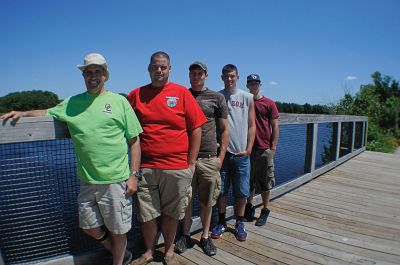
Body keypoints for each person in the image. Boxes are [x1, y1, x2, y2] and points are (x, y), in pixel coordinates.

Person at [1, 53, 143, 265]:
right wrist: (21, 113)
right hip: (87, 181)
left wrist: (134, 176)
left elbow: (135, 142)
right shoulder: (71, 103)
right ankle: (119, 254)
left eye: (97, 71)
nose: (92, 76)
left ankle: (119, 261)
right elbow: (45, 112)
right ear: (84, 75)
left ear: (105, 75)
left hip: (116, 180)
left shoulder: (119, 102)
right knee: (89, 227)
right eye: (88, 72)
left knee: (118, 229)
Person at [127, 52, 206, 265]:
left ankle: (169, 250)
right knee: (147, 214)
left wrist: (191, 163)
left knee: (171, 213)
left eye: (163, 67)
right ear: (149, 68)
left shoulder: (181, 93)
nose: (159, 70)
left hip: (176, 166)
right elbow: (122, 126)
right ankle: (149, 251)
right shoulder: (136, 95)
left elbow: (196, 128)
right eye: (155, 67)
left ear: (170, 69)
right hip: (145, 167)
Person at [174, 61, 229, 256]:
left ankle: (205, 237)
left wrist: (220, 158)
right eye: (192, 74)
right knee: (186, 200)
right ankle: (185, 235)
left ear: (206, 75)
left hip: (208, 158)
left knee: (207, 201)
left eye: (199, 73)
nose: (195, 77)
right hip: (184, 159)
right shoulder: (182, 95)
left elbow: (224, 130)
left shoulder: (217, 98)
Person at [211, 64, 256, 242]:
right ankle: (221, 222)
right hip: (222, 154)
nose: (229, 79)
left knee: (241, 192)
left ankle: (239, 222)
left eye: (232, 76)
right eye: (226, 76)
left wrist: (249, 149)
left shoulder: (247, 97)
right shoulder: (217, 96)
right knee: (221, 191)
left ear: (237, 77)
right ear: (222, 78)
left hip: (241, 154)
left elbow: (252, 125)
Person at [245, 74, 279, 226]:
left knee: (265, 183)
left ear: (260, 84)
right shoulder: (245, 101)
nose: (253, 86)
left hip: (264, 148)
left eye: (256, 83)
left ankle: (265, 210)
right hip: (249, 149)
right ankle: (249, 206)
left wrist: (273, 148)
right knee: (249, 182)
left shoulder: (269, 103)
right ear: (247, 85)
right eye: (251, 83)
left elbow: (275, 126)